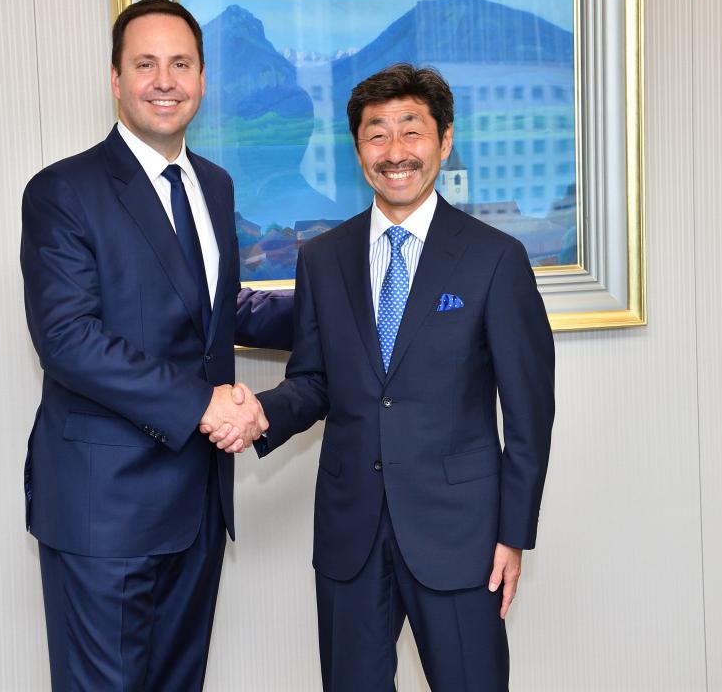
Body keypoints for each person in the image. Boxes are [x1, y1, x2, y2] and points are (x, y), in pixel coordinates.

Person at [218, 63, 554, 690]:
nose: (395, 151)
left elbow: (530, 415)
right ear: (358, 148)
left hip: (461, 534)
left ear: (444, 141)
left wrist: (513, 535)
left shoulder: (494, 258)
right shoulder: (324, 258)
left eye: (411, 130)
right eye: (377, 133)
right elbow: (315, 380)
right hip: (352, 532)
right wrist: (262, 413)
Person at [20, 0, 291, 691]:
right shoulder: (63, 191)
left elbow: (214, 310)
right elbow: (68, 338)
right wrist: (204, 404)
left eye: (181, 64)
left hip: (197, 505)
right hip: (105, 509)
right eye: (145, 64)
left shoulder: (215, 186)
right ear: (116, 79)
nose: (164, 81)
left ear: (202, 79)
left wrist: (347, 312)